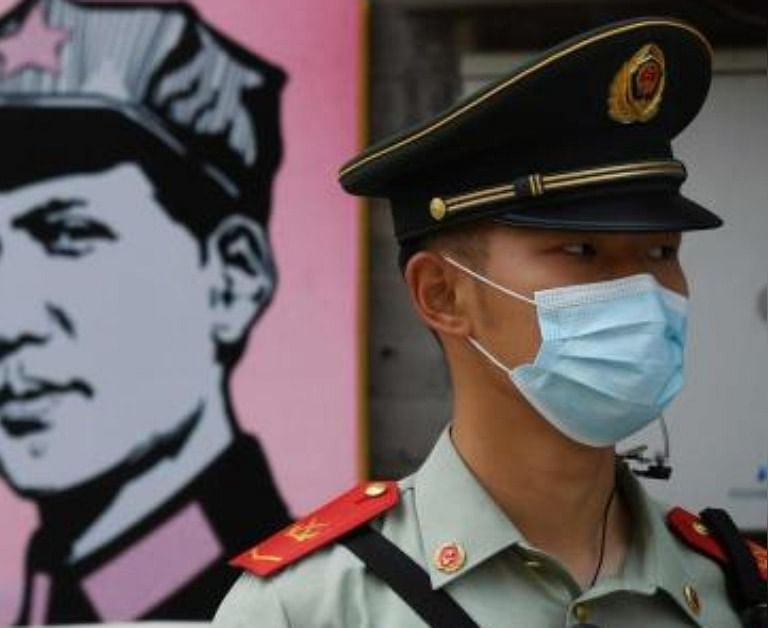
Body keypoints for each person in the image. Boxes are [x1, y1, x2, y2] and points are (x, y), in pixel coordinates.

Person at [214, 17, 767, 627]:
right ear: (443, 294)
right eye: (582, 251)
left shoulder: (735, 594)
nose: (639, 291)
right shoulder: (313, 608)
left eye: (662, 252)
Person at [0, 0, 292, 622]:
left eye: (68, 234)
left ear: (232, 279)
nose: (4, 322)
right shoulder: (75, 591)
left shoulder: (288, 603)